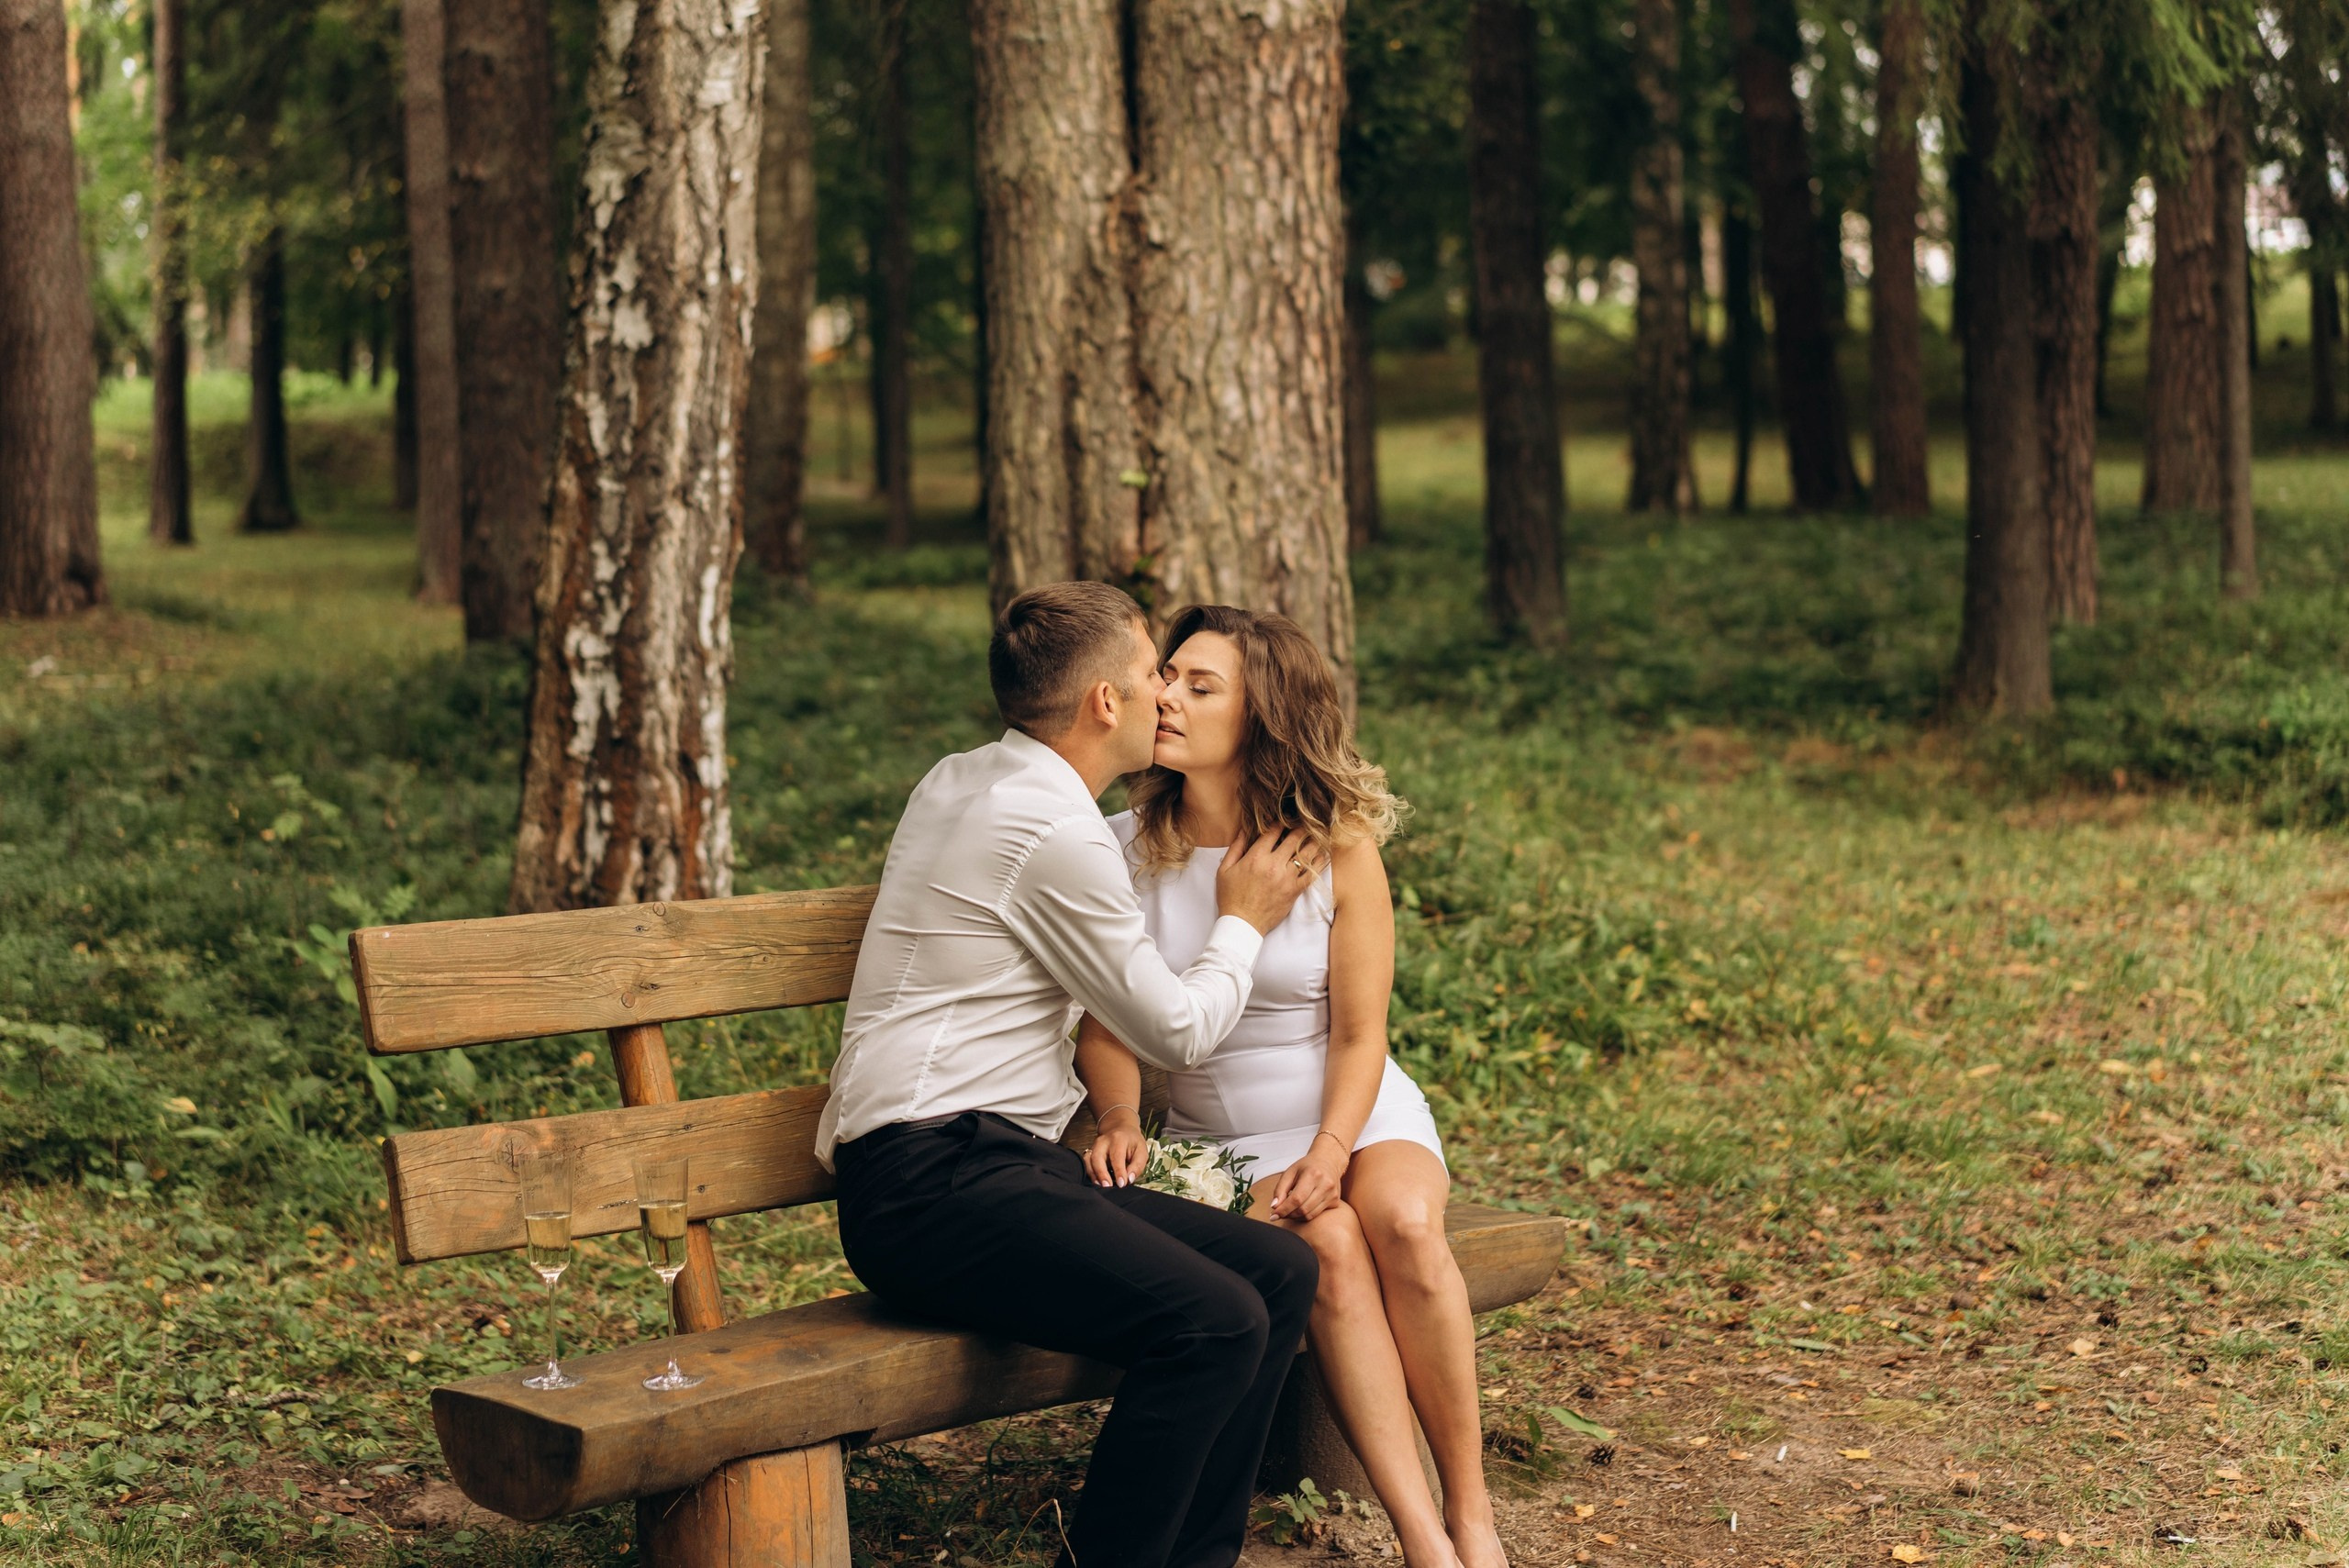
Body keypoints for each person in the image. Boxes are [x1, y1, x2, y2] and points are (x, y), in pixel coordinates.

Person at [818, 581, 1328, 1568]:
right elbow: (1176, 1029)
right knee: (1213, 1319)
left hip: (989, 1167)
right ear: (1105, 702)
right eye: (1151, 675)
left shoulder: (966, 778)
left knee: (1278, 1267)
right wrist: (1244, 919)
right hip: (929, 1186)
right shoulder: (1051, 830)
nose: (1164, 696)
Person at [1074, 605, 1508, 1568]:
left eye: (1200, 683)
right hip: (1217, 1133)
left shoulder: (1335, 846)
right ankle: (1421, 1536)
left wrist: (1330, 1145)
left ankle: (1472, 1512)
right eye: (1168, 675)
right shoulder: (1118, 848)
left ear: (1262, 715)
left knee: (1399, 1222)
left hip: (1352, 1103)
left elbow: (1359, 1031)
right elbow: (1101, 1025)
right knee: (1333, 1243)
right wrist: (1113, 1110)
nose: (1167, 695)